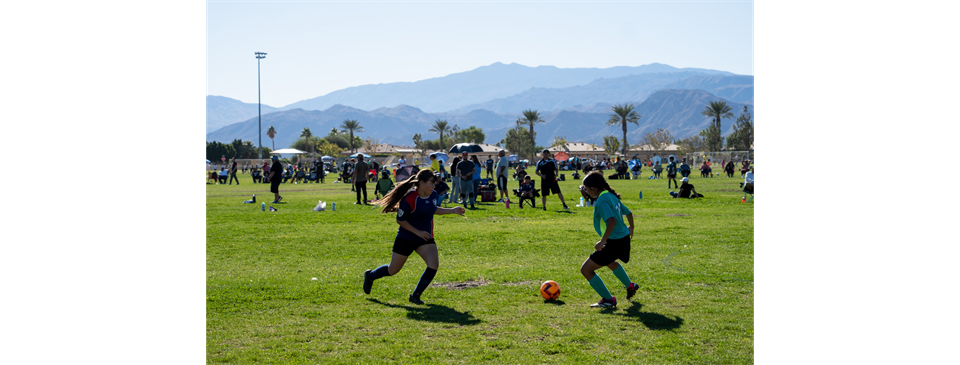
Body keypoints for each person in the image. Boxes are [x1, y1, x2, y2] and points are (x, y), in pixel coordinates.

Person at [363, 169, 466, 305]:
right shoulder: (409, 198)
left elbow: (433, 209)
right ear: (422, 183)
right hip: (406, 237)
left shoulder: (433, 195)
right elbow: (400, 220)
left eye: (435, 184)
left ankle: (415, 296)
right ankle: (370, 276)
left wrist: (452, 210)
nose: (434, 187)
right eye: (432, 184)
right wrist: (417, 232)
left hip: (424, 238)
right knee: (393, 270)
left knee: (433, 265)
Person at [577, 171, 638, 308]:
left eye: (585, 188)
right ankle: (630, 286)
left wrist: (602, 242)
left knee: (586, 270)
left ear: (593, 188)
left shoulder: (602, 200)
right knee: (610, 262)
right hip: (623, 239)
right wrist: (631, 228)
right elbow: (628, 213)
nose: (585, 191)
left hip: (614, 242)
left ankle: (608, 299)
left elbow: (611, 221)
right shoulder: (610, 196)